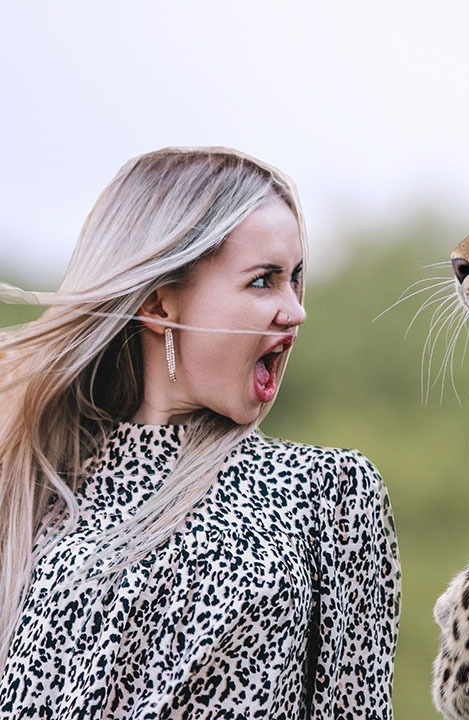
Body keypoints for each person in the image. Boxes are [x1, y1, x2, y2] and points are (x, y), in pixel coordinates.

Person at [0, 147, 400, 718]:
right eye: (264, 281)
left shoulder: (328, 492)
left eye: (295, 281)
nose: (295, 311)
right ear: (160, 305)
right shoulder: (35, 497)